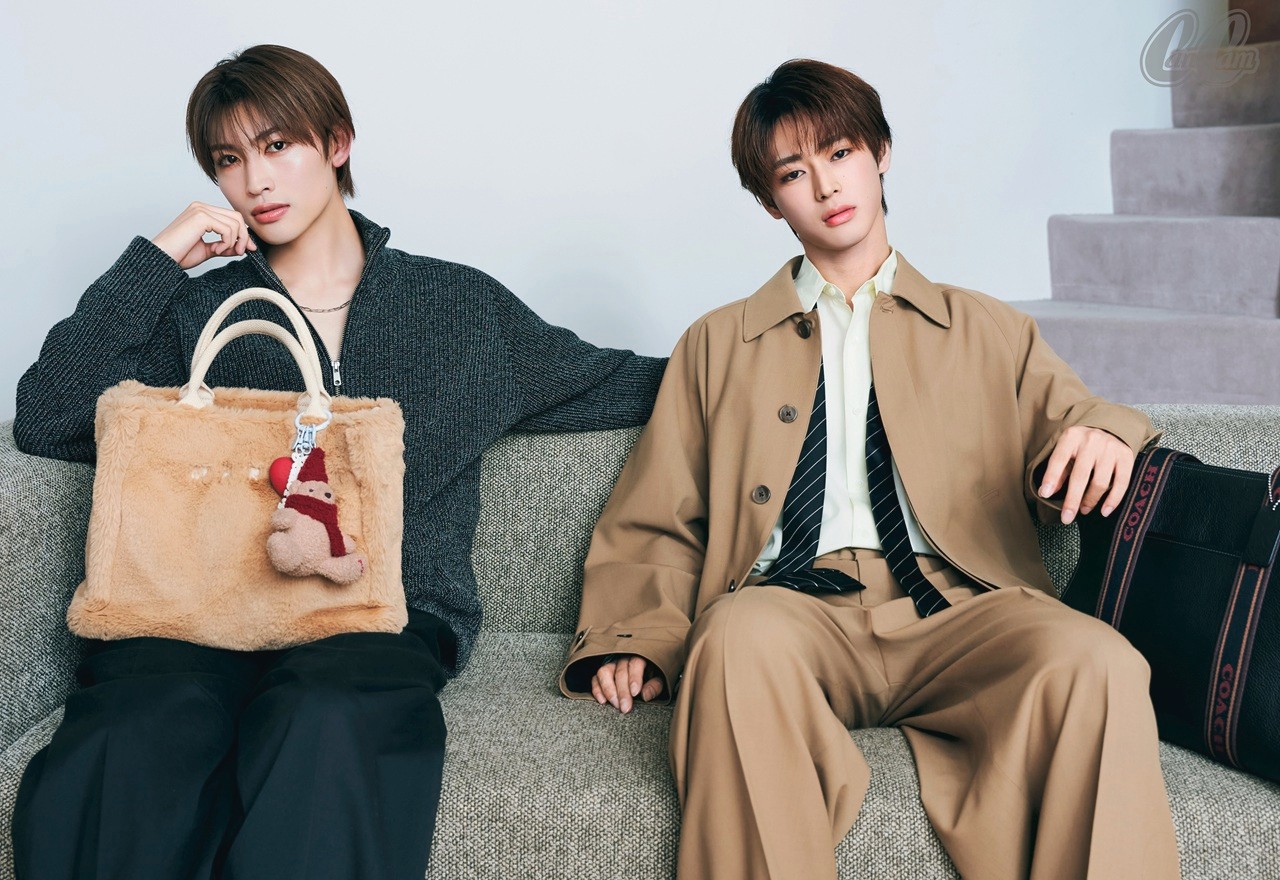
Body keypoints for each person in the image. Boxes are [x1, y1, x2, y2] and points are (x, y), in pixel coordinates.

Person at [11, 44, 664, 880]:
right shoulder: (198, 314)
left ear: (337, 143)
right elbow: (48, 417)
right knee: (133, 731)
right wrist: (158, 260)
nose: (254, 180)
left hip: (374, 620)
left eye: (277, 145)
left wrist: (793, 342)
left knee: (328, 718)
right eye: (229, 160)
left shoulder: (459, 310)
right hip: (195, 610)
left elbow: (646, 385)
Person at [560, 59, 1180, 880]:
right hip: (788, 610)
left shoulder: (987, 328)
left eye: (841, 153)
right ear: (769, 201)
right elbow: (657, 514)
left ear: (881, 153)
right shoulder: (716, 343)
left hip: (959, 611)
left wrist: (1104, 432)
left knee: (1099, 661)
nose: (825, 186)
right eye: (793, 172)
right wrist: (634, 637)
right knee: (732, 641)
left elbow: (1075, 417)